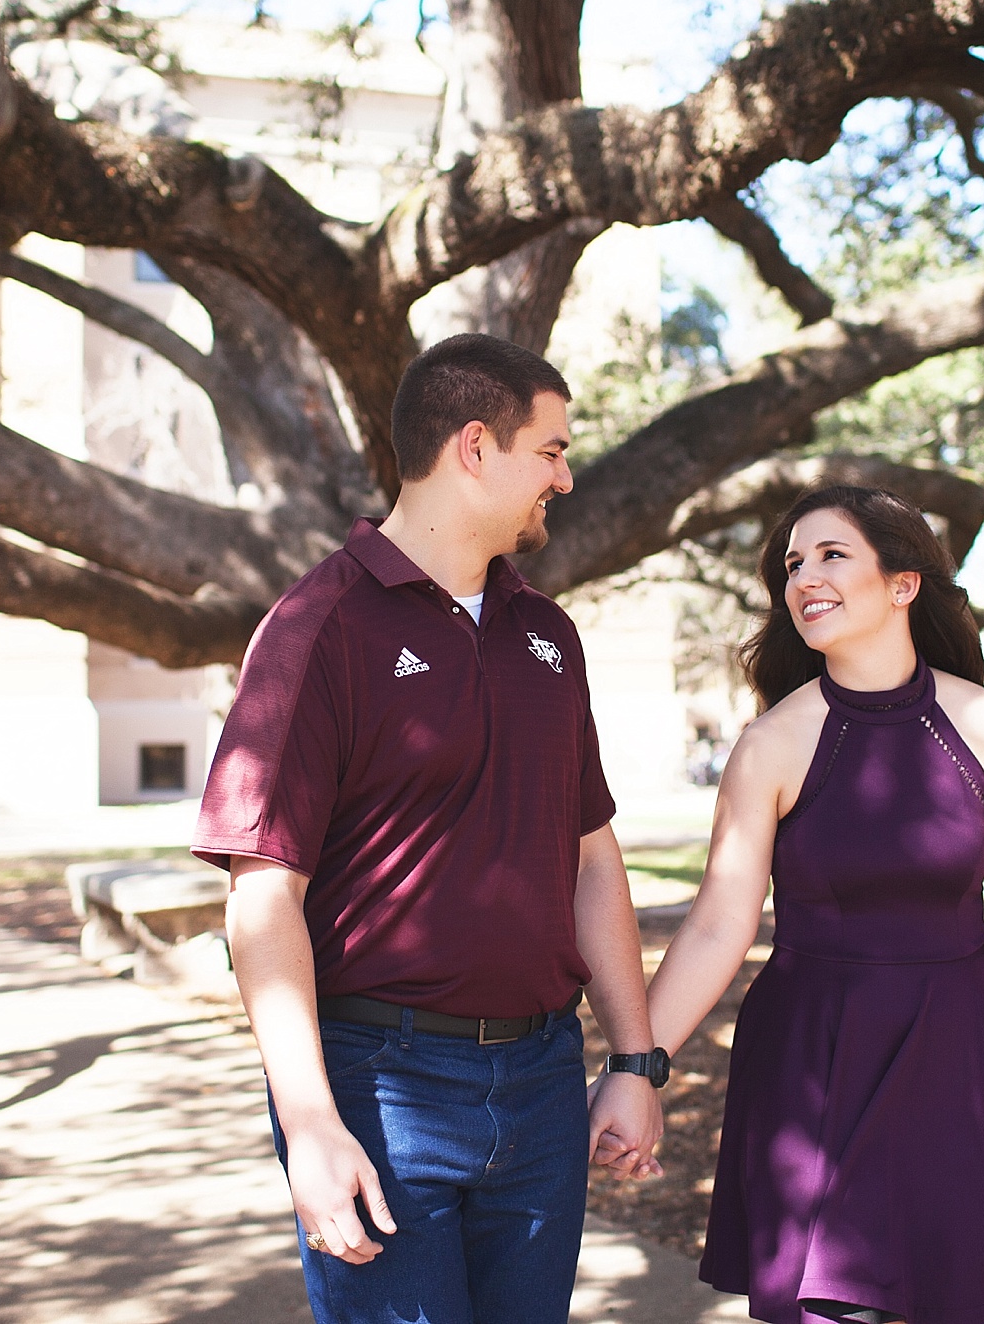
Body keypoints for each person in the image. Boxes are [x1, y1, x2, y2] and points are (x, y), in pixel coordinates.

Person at [192, 332, 664, 1324]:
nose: (567, 478)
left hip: (541, 1083)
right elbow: (262, 892)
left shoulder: (551, 636)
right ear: (474, 448)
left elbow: (592, 860)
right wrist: (310, 1121)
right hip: (381, 1082)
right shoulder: (318, 628)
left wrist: (632, 1060)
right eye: (552, 450)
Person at [628, 485, 984, 1324]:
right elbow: (720, 922)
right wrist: (634, 1066)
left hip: (962, 1051)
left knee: (957, 1298)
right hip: (812, 1061)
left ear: (903, 584)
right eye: (793, 563)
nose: (805, 577)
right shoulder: (769, 745)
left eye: (833, 555)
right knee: (832, 1307)